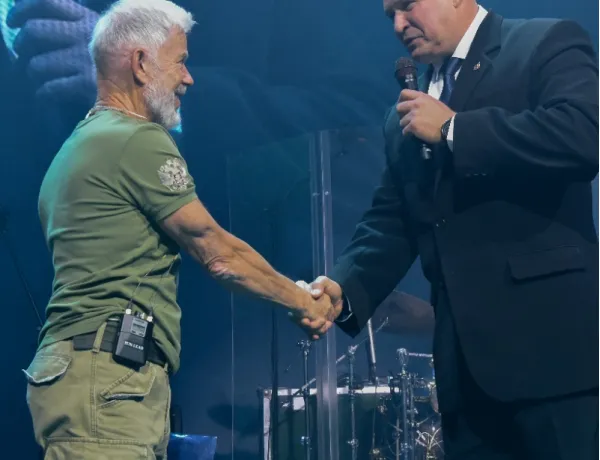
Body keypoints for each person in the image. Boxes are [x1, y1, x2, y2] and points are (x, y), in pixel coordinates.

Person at [23, 1, 339, 458]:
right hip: (107, 382)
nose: (189, 79)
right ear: (140, 63)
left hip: (89, 376)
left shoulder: (79, 146)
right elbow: (218, 253)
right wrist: (302, 300)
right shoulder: (135, 138)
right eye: (181, 61)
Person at [299, 0, 599, 459]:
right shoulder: (404, 113)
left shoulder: (544, 42)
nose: (399, 25)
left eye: (407, 6)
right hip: (464, 377)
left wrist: (456, 129)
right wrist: (344, 285)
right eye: (390, 16)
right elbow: (393, 217)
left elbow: (584, 134)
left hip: (554, 362)